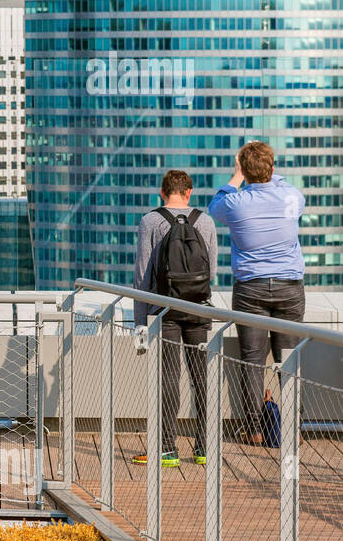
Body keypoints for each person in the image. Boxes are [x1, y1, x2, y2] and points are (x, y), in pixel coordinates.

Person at [208, 142, 306, 446]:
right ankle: (293, 428)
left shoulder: (235, 202)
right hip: (290, 286)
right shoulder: (292, 196)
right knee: (289, 359)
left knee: (252, 360)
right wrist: (262, 169)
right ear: (272, 168)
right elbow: (276, 181)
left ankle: (253, 428)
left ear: (244, 171)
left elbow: (214, 206)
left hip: (251, 287)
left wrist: (238, 175)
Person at [131, 170, 218, 466]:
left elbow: (142, 275)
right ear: (189, 192)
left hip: (163, 310)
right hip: (197, 309)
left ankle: (167, 448)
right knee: (201, 378)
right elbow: (212, 272)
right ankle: (204, 448)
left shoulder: (151, 221)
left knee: (168, 377)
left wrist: (140, 324)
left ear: (162, 192)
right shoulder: (205, 221)